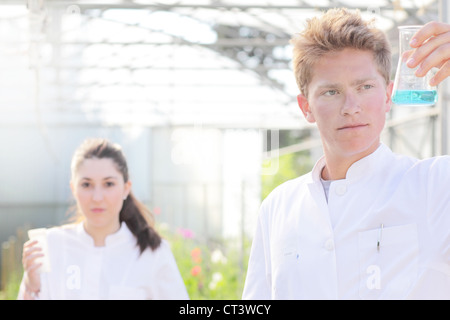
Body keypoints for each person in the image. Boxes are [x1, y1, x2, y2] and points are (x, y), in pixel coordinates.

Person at [242, 8, 450, 299]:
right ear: (306, 107)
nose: (351, 106)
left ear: (388, 95)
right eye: (331, 92)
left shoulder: (436, 186)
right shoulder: (278, 207)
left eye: (365, 87)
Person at [19, 138, 189, 299]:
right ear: (73, 189)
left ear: (125, 188)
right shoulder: (49, 246)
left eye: (109, 184)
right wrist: (31, 287)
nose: (97, 197)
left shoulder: (152, 253)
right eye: (86, 185)